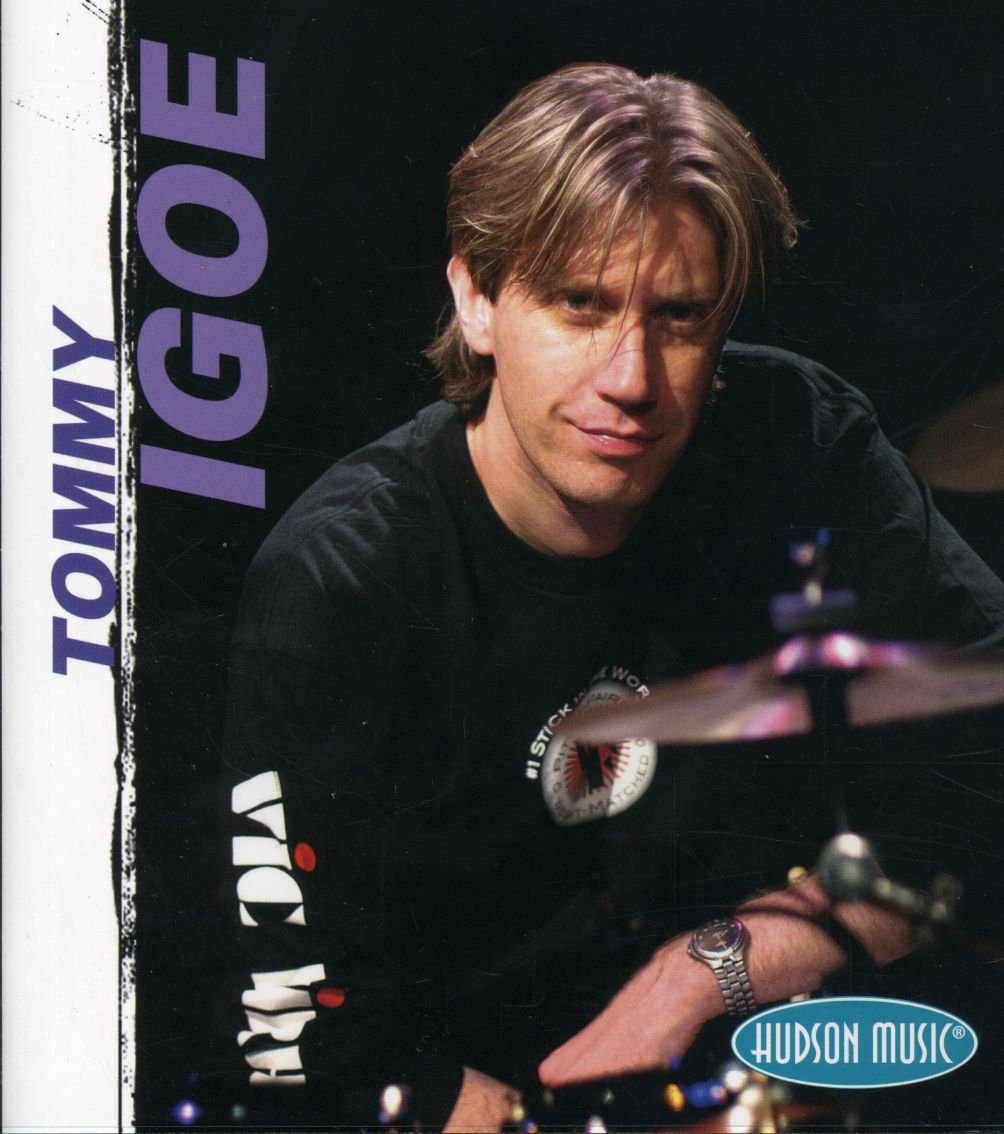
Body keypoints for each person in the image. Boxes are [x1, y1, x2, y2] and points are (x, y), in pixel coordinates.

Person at [221, 64, 1004, 1131]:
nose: (631, 378)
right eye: (580, 305)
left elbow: (984, 764)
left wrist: (704, 971)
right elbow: (301, 1032)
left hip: (752, 1057)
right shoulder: (340, 583)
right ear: (476, 300)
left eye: (679, 316)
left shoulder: (799, 443)